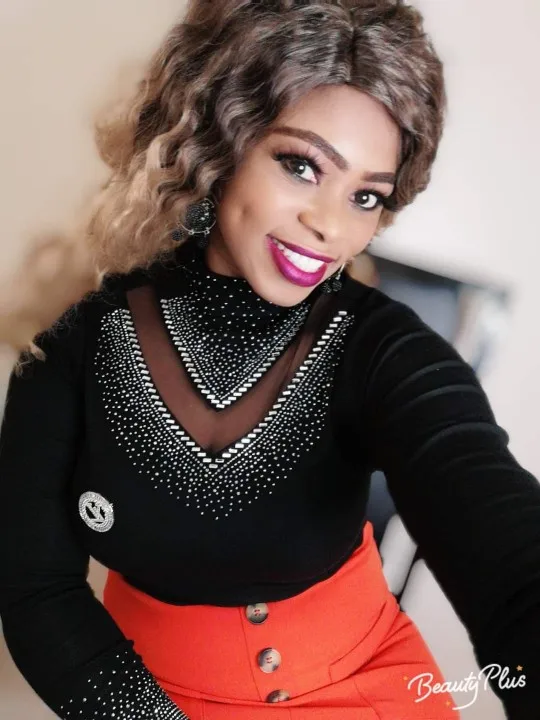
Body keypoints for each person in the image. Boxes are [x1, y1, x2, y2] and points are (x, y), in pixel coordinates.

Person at [1, 1, 539, 718]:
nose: (331, 225)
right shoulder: (75, 347)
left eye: (366, 196)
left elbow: (507, 558)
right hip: (144, 700)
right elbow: (36, 591)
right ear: (219, 143)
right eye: (301, 165)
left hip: (371, 690)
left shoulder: (381, 347)